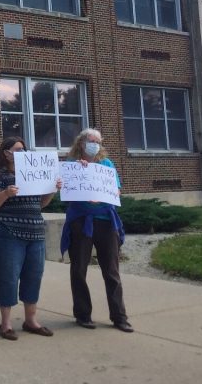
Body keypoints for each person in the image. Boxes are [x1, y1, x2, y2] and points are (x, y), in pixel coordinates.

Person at [0, 137, 59, 341]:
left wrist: (52, 188)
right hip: (7, 233)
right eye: (18, 149)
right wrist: (5, 194)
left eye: (24, 149)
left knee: (33, 276)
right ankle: (6, 323)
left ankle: (31, 320)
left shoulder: (32, 174)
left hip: (35, 232)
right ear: (6, 153)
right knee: (7, 276)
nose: (22, 152)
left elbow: (40, 204)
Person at [61, 128, 132, 333]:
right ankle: (83, 314)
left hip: (106, 222)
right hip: (80, 221)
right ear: (81, 142)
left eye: (98, 142)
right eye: (91, 141)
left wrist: (102, 196)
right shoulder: (71, 165)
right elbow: (65, 189)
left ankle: (119, 316)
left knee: (111, 270)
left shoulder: (106, 165)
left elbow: (116, 190)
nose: (94, 145)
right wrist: (81, 171)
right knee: (78, 269)